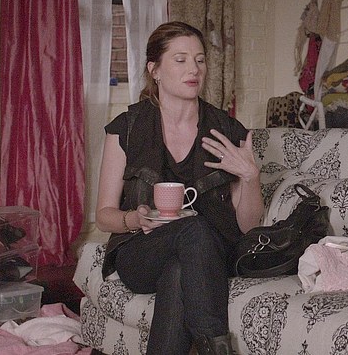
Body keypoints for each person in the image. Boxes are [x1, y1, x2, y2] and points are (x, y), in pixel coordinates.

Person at [96, 22, 263, 355]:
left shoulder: (227, 131)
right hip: (142, 251)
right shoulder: (127, 129)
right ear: (154, 70)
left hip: (211, 255)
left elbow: (248, 227)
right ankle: (215, 345)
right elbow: (103, 216)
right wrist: (135, 219)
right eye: (181, 59)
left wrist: (250, 177)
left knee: (178, 272)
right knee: (194, 228)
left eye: (200, 60)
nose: (194, 69)